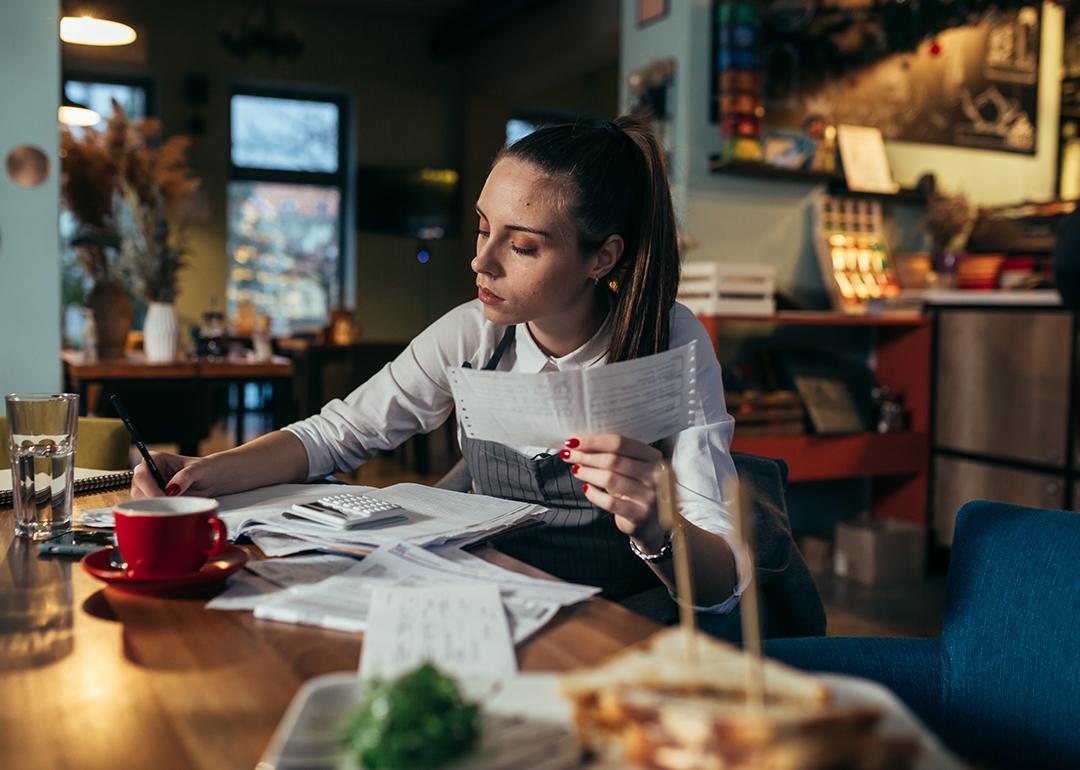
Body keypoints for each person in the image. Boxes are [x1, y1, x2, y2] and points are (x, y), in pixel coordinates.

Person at [132, 115, 745, 612]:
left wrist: (659, 529)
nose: (482, 262)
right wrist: (207, 472)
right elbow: (338, 434)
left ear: (601, 258)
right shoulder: (473, 333)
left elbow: (722, 587)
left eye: (523, 245)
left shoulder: (670, 342)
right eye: (483, 230)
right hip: (493, 598)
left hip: (617, 617)